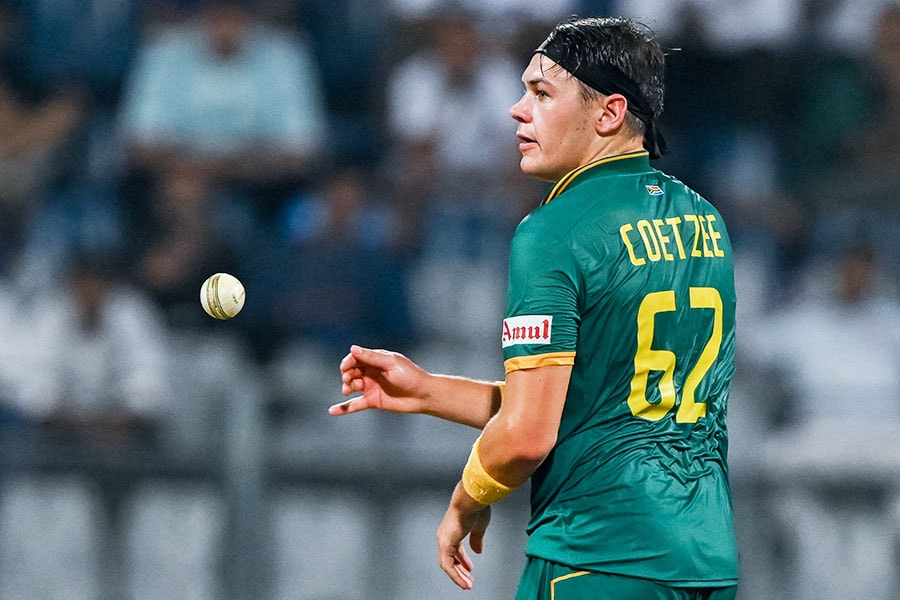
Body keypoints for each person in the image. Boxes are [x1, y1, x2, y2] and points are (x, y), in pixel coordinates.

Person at [331, 16, 739, 599]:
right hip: (705, 561)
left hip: (596, 557)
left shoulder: (552, 233)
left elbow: (527, 435)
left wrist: (467, 497)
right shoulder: (705, 219)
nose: (517, 111)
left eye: (542, 94)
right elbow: (586, 411)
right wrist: (426, 392)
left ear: (609, 113)